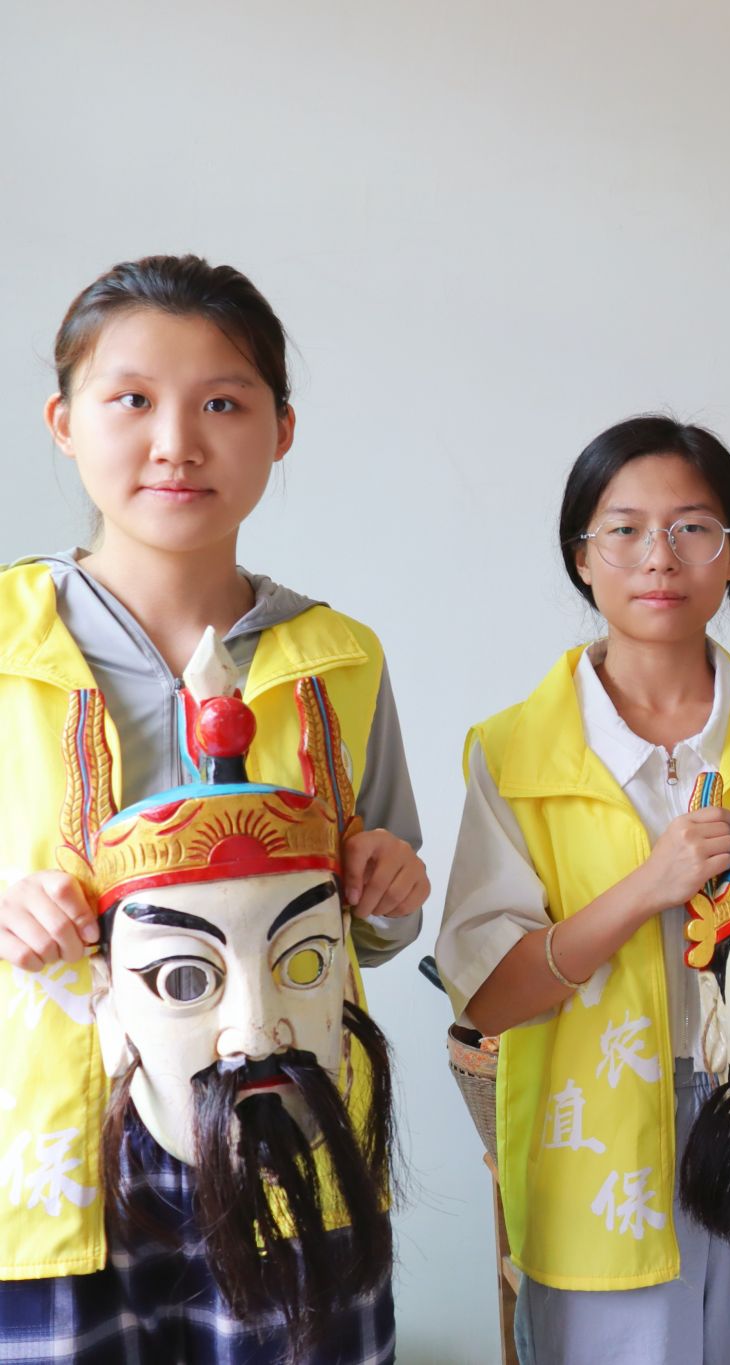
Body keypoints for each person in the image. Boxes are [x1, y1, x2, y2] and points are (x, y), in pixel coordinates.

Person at [0, 254, 428, 1363]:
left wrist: (387, 884)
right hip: (50, 1147)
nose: (176, 442)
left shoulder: (339, 658)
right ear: (64, 422)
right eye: (132, 399)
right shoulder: (5, 640)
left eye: (223, 404)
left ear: (281, 430)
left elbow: (378, 927)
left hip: (284, 1130)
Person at [435, 416, 730, 1364]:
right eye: (624, 530)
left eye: (693, 528)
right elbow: (489, 995)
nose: (660, 557)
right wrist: (647, 887)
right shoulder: (515, 750)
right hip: (598, 1124)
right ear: (581, 557)